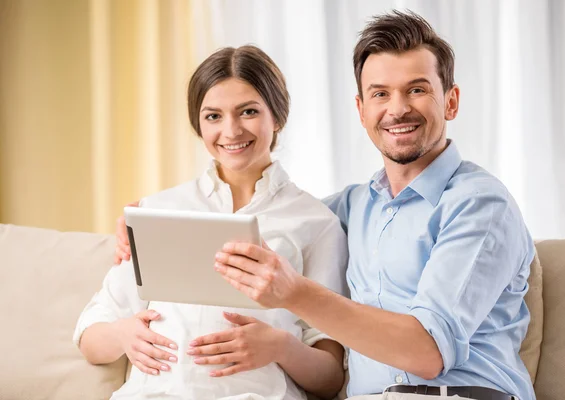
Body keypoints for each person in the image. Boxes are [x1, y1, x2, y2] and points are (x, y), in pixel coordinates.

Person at [116, 10, 535, 400]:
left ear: (451, 101)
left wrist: (295, 293)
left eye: (418, 89)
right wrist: (142, 222)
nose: (398, 108)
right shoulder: (353, 207)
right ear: (361, 109)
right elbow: (284, 219)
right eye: (380, 94)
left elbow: (425, 353)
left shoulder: (479, 204)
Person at [75, 45, 348, 400]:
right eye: (213, 116)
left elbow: (330, 378)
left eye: (248, 111)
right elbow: (90, 338)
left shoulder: (315, 222)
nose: (231, 131)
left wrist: (281, 347)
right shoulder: (158, 211)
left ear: (277, 117)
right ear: (198, 124)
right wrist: (124, 335)